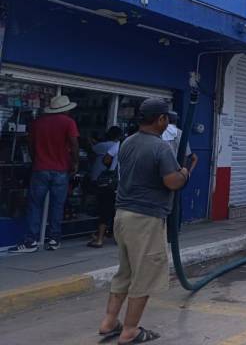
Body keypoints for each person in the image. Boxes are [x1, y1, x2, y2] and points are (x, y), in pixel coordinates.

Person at [98, 98, 189, 344]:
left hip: (123, 216)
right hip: (145, 219)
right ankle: (130, 330)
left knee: (125, 271)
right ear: (160, 119)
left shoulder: (127, 143)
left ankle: (109, 321)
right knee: (144, 275)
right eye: (166, 117)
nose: (167, 121)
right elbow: (172, 182)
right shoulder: (160, 148)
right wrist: (184, 173)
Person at [10, 95, 79, 253]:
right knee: (57, 206)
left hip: (40, 168)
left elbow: (31, 145)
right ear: (66, 109)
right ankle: (54, 239)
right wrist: (75, 163)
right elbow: (74, 144)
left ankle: (31, 241)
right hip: (61, 170)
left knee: (35, 206)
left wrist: (36, 160)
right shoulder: (69, 122)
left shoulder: (37, 123)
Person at [87, 126, 123, 248]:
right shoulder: (140, 147)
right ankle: (118, 237)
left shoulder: (119, 144)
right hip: (127, 184)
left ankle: (100, 238)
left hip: (113, 182)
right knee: (120, 211)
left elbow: (106, 160)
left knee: (105, 208)